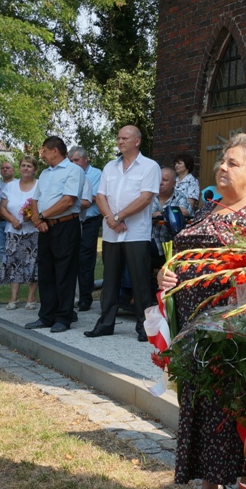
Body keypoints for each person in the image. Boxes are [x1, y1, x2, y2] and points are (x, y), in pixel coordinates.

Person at [157, 133, 246, 489]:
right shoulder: (210, 208)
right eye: (222, 162)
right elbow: (181, 252)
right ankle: (210, 485)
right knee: (201, 403)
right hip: (195, 327)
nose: (221, 168)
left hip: (237, 332)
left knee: (240, 408)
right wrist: (166, 273)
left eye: (233, 163)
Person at [83, 126, 159, 341]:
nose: (120, 141)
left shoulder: (149, 166)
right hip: (111, 232)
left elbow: (145, 198)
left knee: (140, 281)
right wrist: (111, 219)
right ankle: (105, 323)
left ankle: (145, 327)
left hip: (136, 233)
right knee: (110, 280)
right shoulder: (110, 167)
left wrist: (119, 217)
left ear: (137, 141)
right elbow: (100, 196)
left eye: (125, 138)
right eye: (118, 138)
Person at [25, 136, 86, 333]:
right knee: (46, 271)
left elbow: (68, 201)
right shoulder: (44, 173)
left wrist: (42, 216)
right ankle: (46, 315)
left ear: (55, 151)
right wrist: (37, 219)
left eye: (43, 150)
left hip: (66, 226)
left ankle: (64, 317)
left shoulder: (73, 170)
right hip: (45, 227)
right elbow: (35, 199)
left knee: (65, 272)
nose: (41, 154)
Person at [0, 156, 39, 311]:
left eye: (29, 166)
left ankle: (31, 297)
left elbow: (42, 206)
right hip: (13, 230)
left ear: (35, 169)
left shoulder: (39, 185)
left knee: (32, 263)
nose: (25, 168)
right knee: (13, 262)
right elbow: (2, 208)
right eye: (23, 165)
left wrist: (31, 217)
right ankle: (14, 297)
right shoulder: (11, 186)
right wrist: (12, 219)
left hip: (33, 230)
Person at [69, 146, 102, 312]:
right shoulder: (69, 174)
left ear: (85, 159)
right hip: (73, 221)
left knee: (86, 259)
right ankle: (72, 296)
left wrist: (68, 201)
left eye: (77, 160)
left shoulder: (95, 174)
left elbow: (94, 197)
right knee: (71, 258)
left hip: (90, 220)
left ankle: (85, 298)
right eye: (71, 161)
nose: (74, 164)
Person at [151, 166, 189, 272]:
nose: (160, 183)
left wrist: (163, 212)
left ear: (174, 183)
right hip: (151, 240)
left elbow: (185, 211)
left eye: (165, 180)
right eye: (159, 179)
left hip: (172, 241)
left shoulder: (180, 197)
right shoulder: (150, 196)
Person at [0, 160, 15, 267]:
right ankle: (3, 273)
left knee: (13, 247)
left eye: (7, 168)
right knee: (1, 248)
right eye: (3, 168)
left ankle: (14, 271)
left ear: (13, 170)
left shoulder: (18, 184)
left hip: (11, 221)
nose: (5, 170)